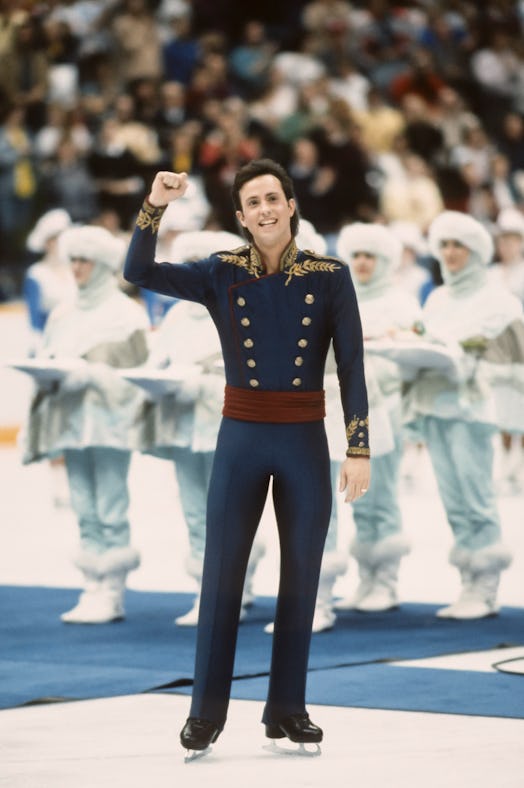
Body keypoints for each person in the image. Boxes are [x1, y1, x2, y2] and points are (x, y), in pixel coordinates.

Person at [123, 158, 370, 755]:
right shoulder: (220, 272)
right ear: (240, 217)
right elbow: (139, 269)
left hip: (305, 440)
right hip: (241, 437)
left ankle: (287, 708)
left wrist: (358, 446)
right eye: (252, 202)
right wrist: (155, 203)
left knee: (301, 578)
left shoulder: (330, 275)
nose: (263, 209)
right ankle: (205, 713)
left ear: (290, 205)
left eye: (272, 198)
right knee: (222, 575)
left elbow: (354, 366)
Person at [21, 224, 150, 624]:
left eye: (83, 260)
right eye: (72, 259)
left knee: (111, 501)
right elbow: (49, 360)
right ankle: (92, 582)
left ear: (102, 263)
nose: (75, 267)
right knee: (82, 503)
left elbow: (139, 377)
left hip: (110, 424)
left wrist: (89, 376)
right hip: (72, 421)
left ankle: (112, 586)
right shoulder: (63, 311)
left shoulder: (126, 313)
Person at [142, 227, 266, 627]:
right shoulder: (176, 314)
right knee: (196, 511)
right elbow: (157, 362)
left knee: (231, 510)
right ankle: (209, 588)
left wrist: (204, 386)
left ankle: (232, 588)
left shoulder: (244, 306)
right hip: (184, 427)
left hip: (229, 427)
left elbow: (258, 374)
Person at [403, 210, 522, 619]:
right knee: (452, 498)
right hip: (434, 405)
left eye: (459, 245)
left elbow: (514, 363)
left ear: (477, 251)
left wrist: (470, 365)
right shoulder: (437, 299)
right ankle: (469, 581)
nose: (451, 253)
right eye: (445, 245)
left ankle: (486, 584)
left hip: (472, 410)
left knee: (475, 495)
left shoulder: (500, 302)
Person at [331, 222, 421, 613]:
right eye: (358, 255)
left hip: (387, 413)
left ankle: (386, 580)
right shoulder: (341, 296)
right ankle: (367, 579)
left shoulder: (401, 303)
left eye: (371, 256)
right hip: (348, 413)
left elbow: (413, 357)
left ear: (385, 261)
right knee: (360, 498)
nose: (363, 263)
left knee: (381, 497)